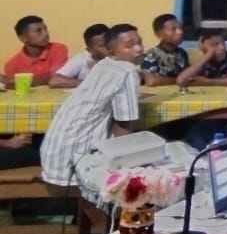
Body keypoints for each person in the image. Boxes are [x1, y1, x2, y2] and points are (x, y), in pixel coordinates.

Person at [39, 23, 143, 189]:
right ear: (111, 50)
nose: (138, 49)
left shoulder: (103, 64)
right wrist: (122, 165)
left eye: (139, 42)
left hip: (54, 151)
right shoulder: (127, 71)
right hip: (76, 157)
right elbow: (124, 123)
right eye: (129, 45)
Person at [176, 31, 227, 150]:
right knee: (195, 134)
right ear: (202, 47)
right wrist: (207, 55)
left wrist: (208, 82)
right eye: (215, 44)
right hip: (209, 112)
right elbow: (181, 81)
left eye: (223, 43)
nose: (221, 48)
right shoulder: (202, 62)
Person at [3, 15, 69, 87]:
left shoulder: (58, 49)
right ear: (23, 38)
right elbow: (12, 85)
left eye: (45, 29)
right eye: (38, 31)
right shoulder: (12, 65)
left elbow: (57, 77)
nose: (46, 34)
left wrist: (21, 81)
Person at [50, 24, 110, 88]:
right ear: (89, 49)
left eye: (109, 43)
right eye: (102, 46)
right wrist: (90, 83)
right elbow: (55, 81)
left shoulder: (117, 56)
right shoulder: (81, 59)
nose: (109, 48)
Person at [140, 14, 189, 87]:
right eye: (173, 29)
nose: (180, 32)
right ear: (158, 34)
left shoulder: (182, 53)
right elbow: (151, 81)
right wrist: (179, 80)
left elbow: (188, 76)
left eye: (180, 28)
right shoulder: (152, 54)